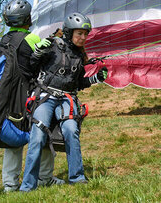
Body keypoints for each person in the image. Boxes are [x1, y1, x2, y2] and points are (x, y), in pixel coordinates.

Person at [19, 12, 108, 191]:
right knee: (38, 134)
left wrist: (96, 79)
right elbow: (31, 68)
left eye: (85, 34)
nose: (83, 38)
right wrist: (37, 53)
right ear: (68, 33)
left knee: (71, 130)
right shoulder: (52, 46)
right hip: (46, 96)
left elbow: (78, 83)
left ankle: (77, 177)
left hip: (67, 98)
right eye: (79, 34)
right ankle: (28, 186)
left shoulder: (79, 56)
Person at [0, 0, 65, 192]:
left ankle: (10, 184)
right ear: (28, 18)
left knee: (14, 139)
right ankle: (45, 177)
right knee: (44, 132)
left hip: (8, 97)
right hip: (31, 95)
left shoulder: (3, 40)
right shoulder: (31, 38)